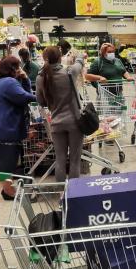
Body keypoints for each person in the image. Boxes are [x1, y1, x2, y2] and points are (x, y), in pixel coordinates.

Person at [0, 56, 36, 200]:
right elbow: (26, 97)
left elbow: (25, 94)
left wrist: (25, 79)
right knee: (7, 163)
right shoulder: (9, 82)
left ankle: (8, 190)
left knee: (8, 161)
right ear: (13, 68)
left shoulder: (3, 82)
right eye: (18, 67)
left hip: (2, 127)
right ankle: (8, 191)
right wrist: (45, 98)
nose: (20, 69)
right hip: (4, 129)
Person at [37, 46, 86, 182]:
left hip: (56, 123)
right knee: (75, 161)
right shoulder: (70, 72)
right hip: (75, 122)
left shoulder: (40, 77)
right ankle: (74, 195)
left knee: (60, 160)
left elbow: (40, 101)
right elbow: (80, 61)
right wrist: (78, 54)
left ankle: (61, 196)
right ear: (60, 57)